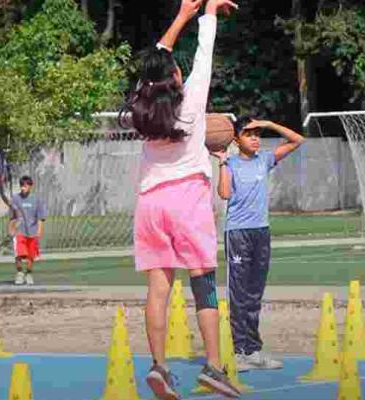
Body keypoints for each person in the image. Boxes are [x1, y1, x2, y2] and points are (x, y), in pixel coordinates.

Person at [119, 0, 239, 398]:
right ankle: (213, 368)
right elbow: (205, 51)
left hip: (151, 204)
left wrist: (182, 15)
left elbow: (153, 63)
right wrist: (206, 14)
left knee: (158, 289)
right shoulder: (191, 100)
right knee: (203, 284)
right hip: (188, 200)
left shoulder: (142, 106)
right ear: (175, 75)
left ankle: (158, 367)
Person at [213, 117, 304, 371]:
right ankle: (238, 351)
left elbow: (298, 140)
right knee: (239, 295)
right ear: (236, 140)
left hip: (261, 233)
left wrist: (270, 123)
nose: (255, 138)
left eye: (257, 133)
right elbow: (224, 194)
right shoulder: (229, 163)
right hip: (238, 234)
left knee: (254, 295)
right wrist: (221, 163)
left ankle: (253, 350)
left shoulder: (264, 159)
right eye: (248, 134)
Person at [9, 175, 46, 286]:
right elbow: (12, 216)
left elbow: (41, 217)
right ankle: (20, 273)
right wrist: (11, 229)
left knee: (31, 256)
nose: (23, 187)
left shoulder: (37, 200)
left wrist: (39, 231)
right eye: (21, 185)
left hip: (32, 232)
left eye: (26, 185)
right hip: (19, 232)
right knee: (18, 254)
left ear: (30, 186)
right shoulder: (15, 198)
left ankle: (29, 274)